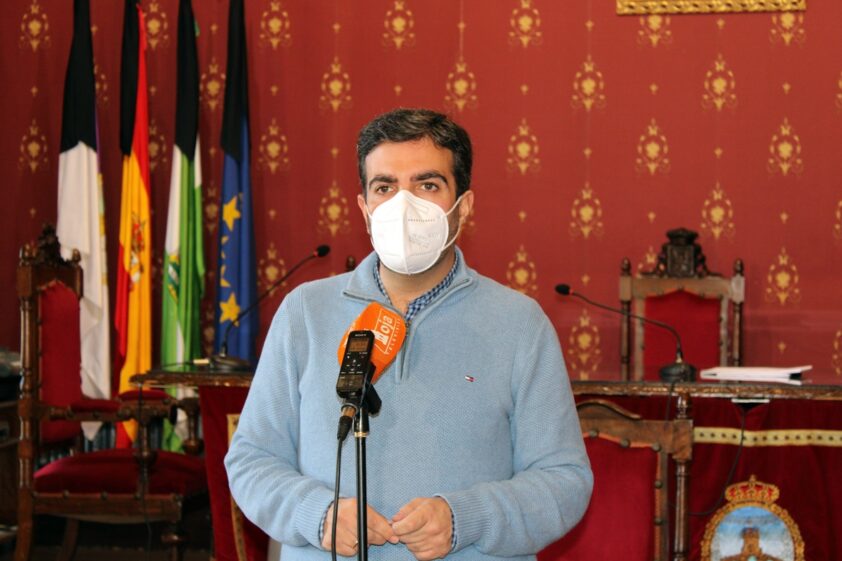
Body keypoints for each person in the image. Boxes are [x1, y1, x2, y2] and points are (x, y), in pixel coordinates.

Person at [225, 108, 592, 561]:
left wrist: (466, 518)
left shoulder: (520, 324)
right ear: (364, 209)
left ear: (464, 206)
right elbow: (251, 460)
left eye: (427, 185)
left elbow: (564, 481)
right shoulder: (304, 312)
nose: (403, 205)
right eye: (384, 187)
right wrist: (317, 514)